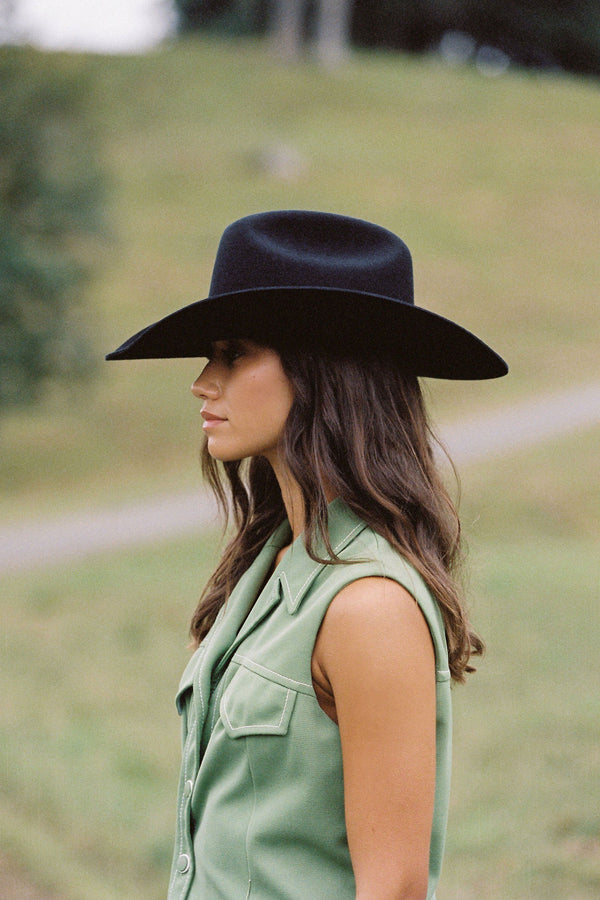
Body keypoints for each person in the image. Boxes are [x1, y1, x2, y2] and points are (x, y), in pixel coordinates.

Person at [107, 210, 508, 900]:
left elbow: (395, 889)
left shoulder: (369, 606)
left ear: (323, 370)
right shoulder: (271, 563)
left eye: (233, 354)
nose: (203, 381)